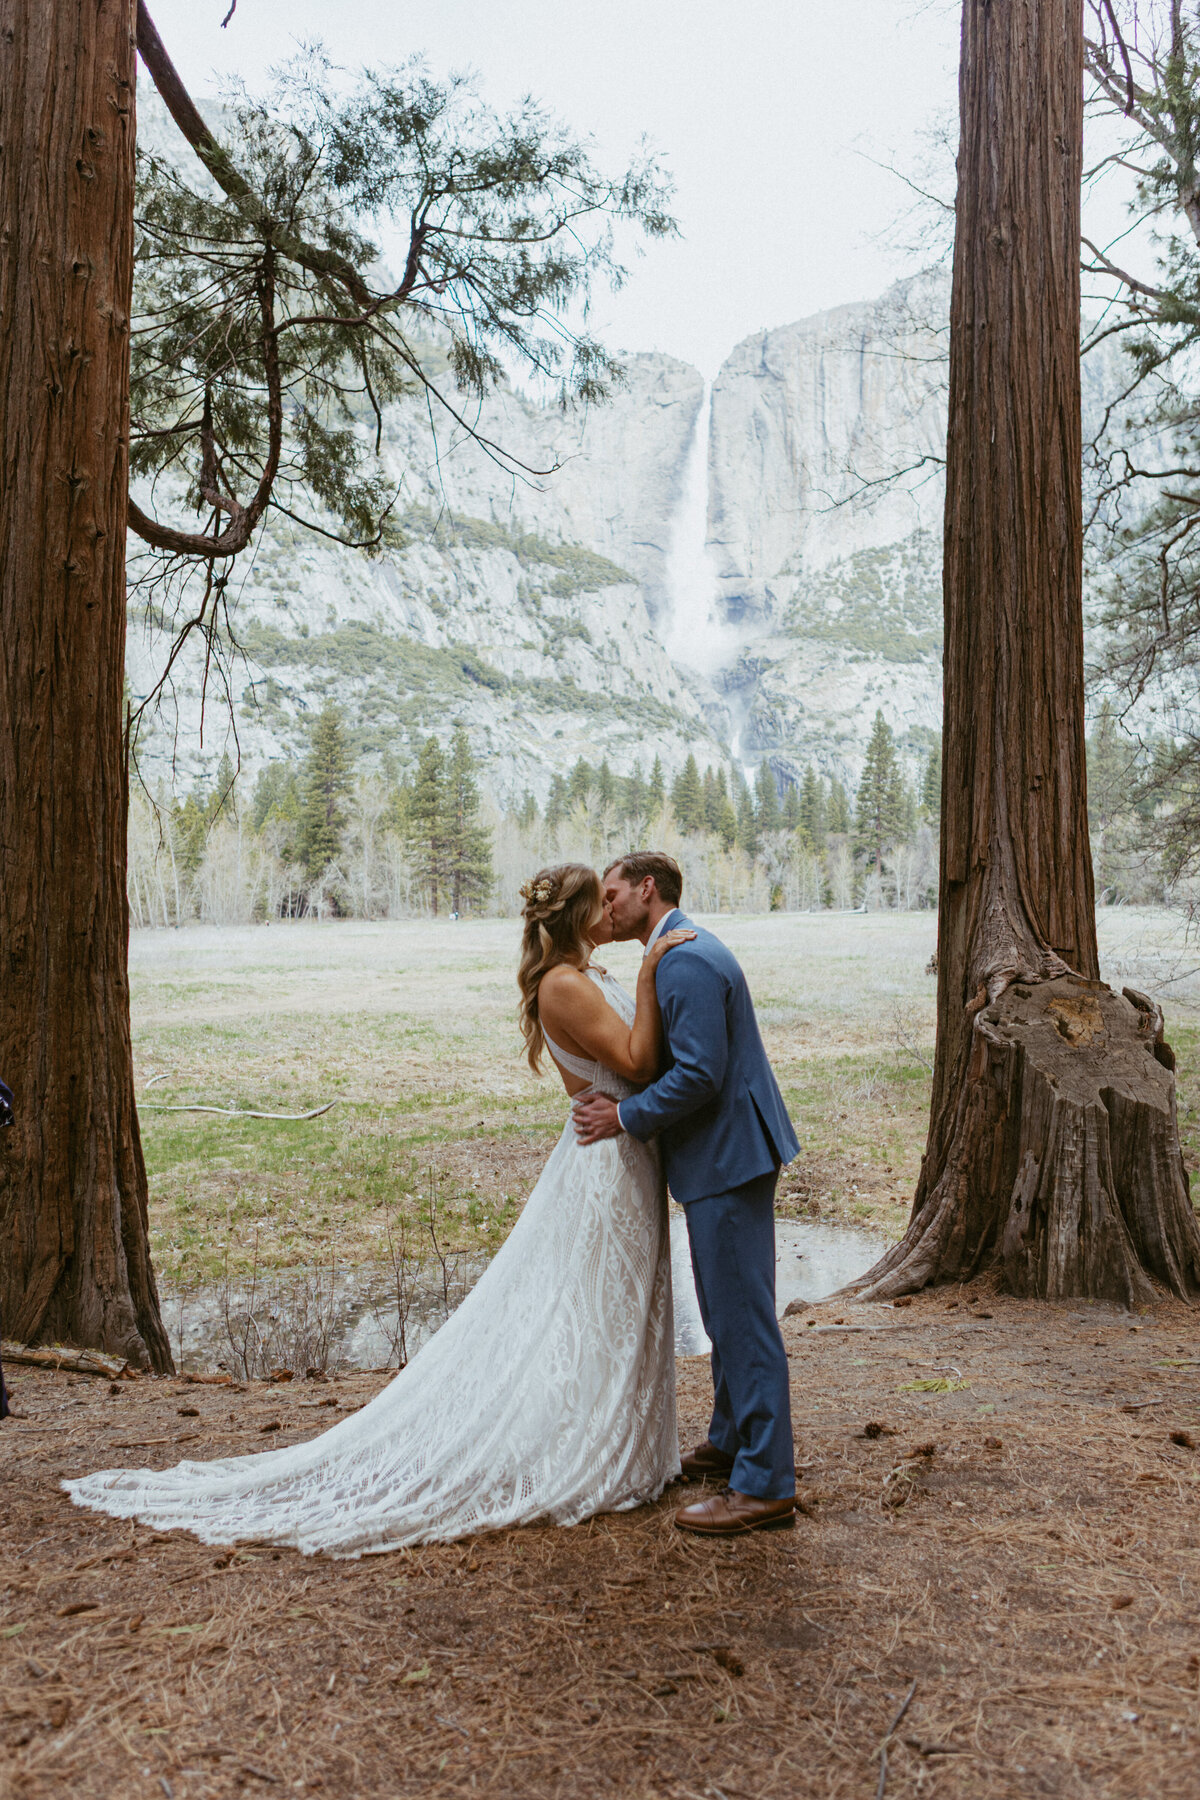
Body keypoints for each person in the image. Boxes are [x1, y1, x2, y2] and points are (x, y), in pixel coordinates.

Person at [64, 864, 694, 1555]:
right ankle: (591, 1449)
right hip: (603, 1163)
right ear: (576, 916)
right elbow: (635, 1063)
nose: (613, 908)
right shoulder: (564, 984)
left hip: (624, 1152)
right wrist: (648, 975)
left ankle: (615, 1438)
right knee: (598, 1303)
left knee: (620, 1307)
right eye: (599, 901)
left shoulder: (586, 974)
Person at [574, 851, 800, 1537]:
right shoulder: (669, 955)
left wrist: (624, 1117)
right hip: (726, 1155)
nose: (606, 907)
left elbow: (700, 1074)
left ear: (648, 890)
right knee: (724, 1309)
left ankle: (765, 1485)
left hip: (728, 1156)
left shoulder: (686, 961)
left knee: (741, 1318)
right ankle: (732, 1441)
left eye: (613, 894)